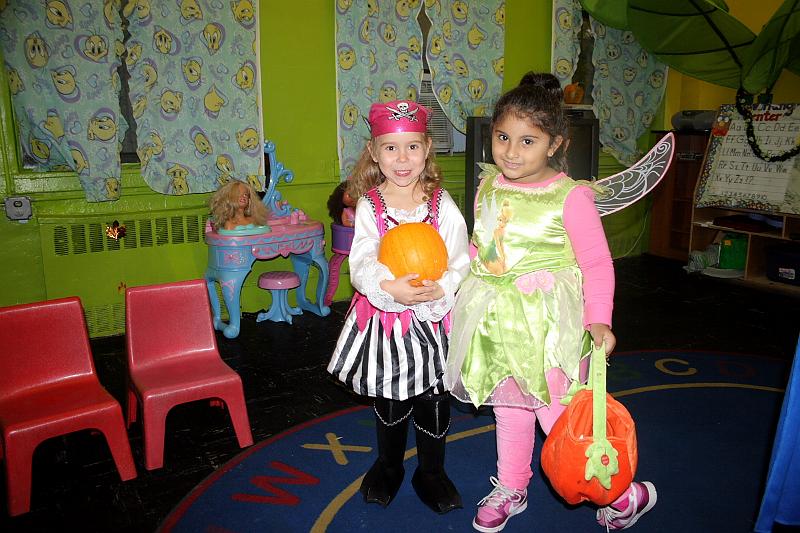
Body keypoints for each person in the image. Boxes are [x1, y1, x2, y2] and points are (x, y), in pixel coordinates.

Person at [444, 72, 657, 532]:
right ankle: (512, 485)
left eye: (527, 141)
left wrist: (599, 319)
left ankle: (619, 493)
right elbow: (484, 247)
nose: (511, 151)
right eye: (503, 137)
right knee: (510, 409)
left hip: (547, 326)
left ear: (555, 143)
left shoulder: (571, 197)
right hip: (498, 322)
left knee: (559, 414)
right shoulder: (488, 187)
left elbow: (598, 263)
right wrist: (450, 287)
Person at [328, 100, 470, 514]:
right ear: (374, 152)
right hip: (387, 321)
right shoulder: (370, 206)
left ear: (427, 149)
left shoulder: (441, 204)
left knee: (433, 396)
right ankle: (388, 465)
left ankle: (432, 472)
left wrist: (441, 287)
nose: (402, 159)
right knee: (392, 396)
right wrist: (388, 286)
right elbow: (362, 260)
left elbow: (460, 257)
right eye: (390, 148)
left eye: (412, 147)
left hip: (435, 317)